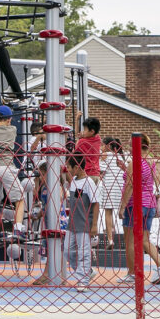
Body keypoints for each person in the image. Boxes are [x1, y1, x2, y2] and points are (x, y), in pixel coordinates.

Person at [120, 133, 160, 285]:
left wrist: (122, 207)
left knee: (129, 240)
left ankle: (132, 273)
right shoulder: (150, 161)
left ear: (138, 145)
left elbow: (130, 185)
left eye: (131, 144)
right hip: (149, 204)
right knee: (144, 239)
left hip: (135, 204)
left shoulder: (134, 162)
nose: (129, 147)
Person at [65, 152, 99, 291]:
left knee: (84, 252)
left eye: (69, 166)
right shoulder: (73, 180)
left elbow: (96, 203)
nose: (68, 169)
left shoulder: (89, 183)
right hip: (72, 223)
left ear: (77, 167)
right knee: (68, 251)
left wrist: (94, 225)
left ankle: (83, 280)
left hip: (84, 223)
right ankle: (87, 271)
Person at [98, 137, 125, 247]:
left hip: (109, 187)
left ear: (108, 146)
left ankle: (110, 239)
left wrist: (100, 159)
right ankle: (127, 237)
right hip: (120, 187)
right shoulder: (120, 157)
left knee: (108, 213)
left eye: (102, 145)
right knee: (122, 213)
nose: (101, 147)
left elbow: (101, 171)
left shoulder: (106, 157)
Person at [75, 117, 102, 183]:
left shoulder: (82, 142)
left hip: (86, 172)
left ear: (92, 131)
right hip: (96, 173)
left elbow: (75, 152)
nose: (83, 132)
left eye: (85, 130)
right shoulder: (98, 139)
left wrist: (79, 139)